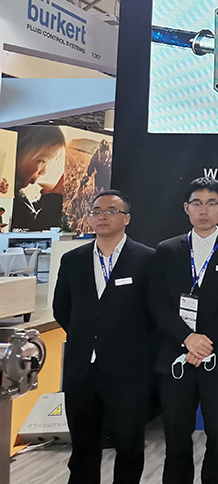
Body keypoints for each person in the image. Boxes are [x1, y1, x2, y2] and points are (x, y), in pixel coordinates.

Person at [149, 177, 218, 484]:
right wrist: (187, 339)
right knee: (176, 436)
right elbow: (158, 303)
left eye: (211, 204)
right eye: (197, 203)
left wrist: (205, 342)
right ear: (186, 208)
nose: (203, 210)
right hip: (175, 357)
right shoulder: (167, 250)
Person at [52, 190, 155, 484]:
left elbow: (155, 312)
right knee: (83, 446)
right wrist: (89, 337)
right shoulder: (73, 260)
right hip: (81, 368)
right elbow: (62, 309)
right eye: (96, 211)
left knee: (129, 445)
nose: (102, 216)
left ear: (126, 218)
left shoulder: (147, 259)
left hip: (128, 370)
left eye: (111, 211)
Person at [13, 126, 66, 231]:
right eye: (41, 161)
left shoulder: (19, 198)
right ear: (16, 151)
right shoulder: (12, 203)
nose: (43, 172)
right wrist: (55, 199)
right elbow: (35, 234)